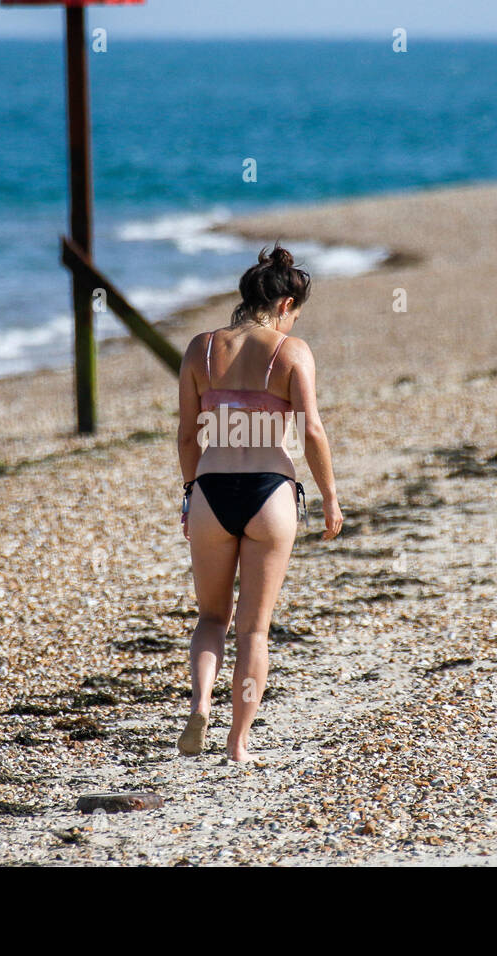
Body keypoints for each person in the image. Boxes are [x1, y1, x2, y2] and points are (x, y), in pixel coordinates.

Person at [175, 244, 343, 761]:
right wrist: (331, 500)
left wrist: (190, 495)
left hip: (210, 492)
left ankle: (201, 703)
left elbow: (186, 437)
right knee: (254, 629)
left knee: (210, 618)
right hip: (271, 494)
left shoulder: (201, 350)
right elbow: (311, 431)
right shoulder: (291, 352)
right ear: (286, 304)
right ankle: (238, 741)